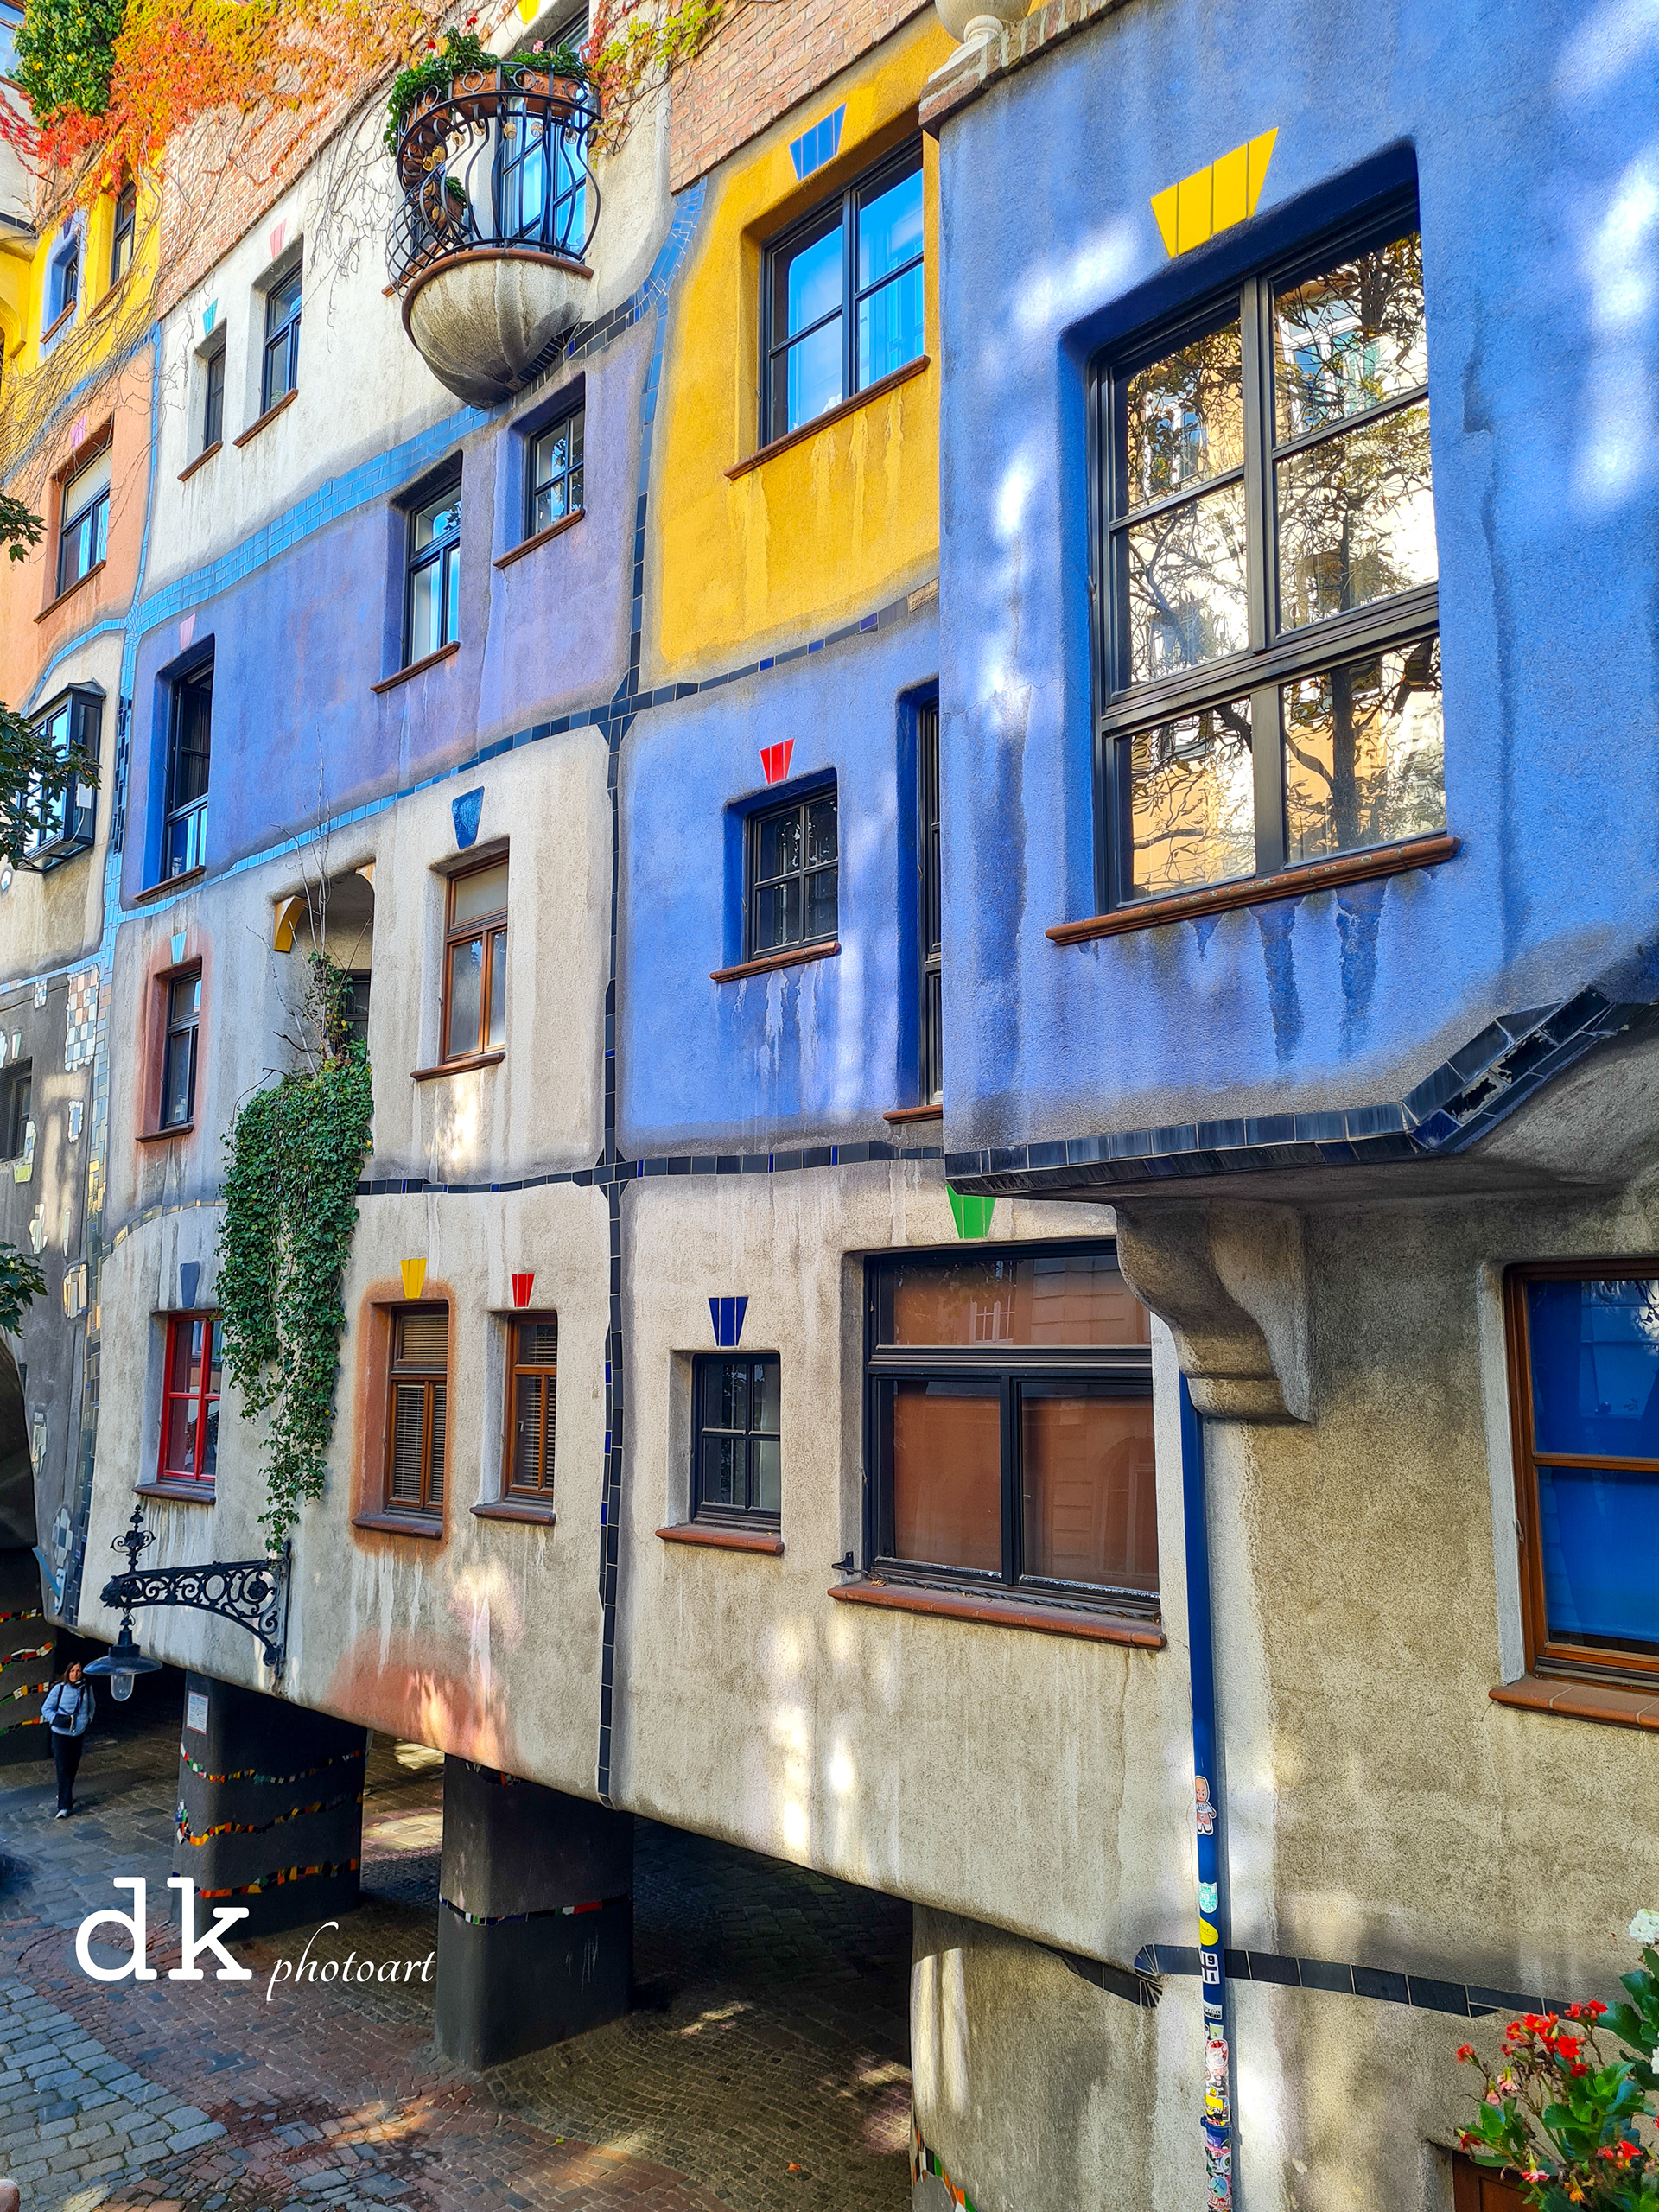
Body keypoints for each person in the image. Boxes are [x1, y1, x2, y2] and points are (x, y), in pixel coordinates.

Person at [41, 1660, 93, 1817]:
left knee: (72, 1767)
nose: (75, 1674)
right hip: (61, 1734)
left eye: (78, 1671)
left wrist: (87, 1720)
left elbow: (91, 1707)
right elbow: (46, 1708)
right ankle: (64, 1806)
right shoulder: (59, 1688)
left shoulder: (87, 1688)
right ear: (67, 1672)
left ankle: (65, 1793)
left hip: (77, 1734)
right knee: (62, 1767)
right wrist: (55, 1719)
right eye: (72, 1671)